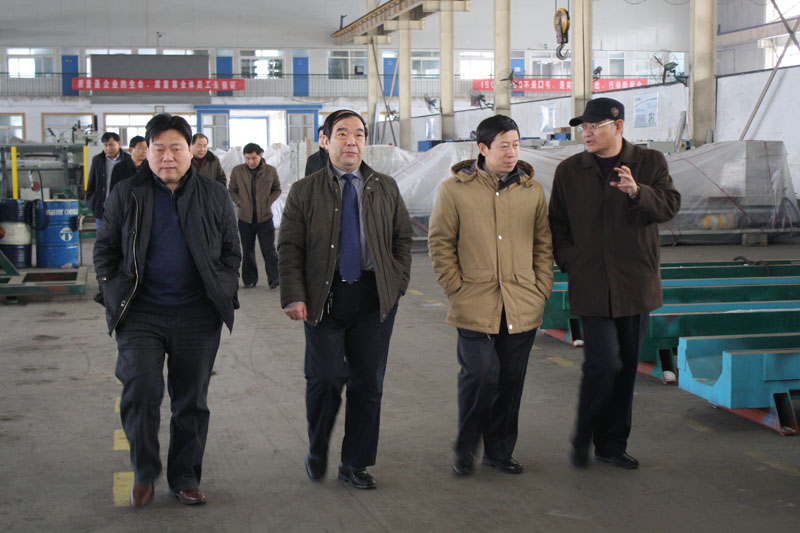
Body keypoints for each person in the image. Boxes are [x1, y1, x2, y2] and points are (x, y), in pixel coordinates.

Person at [94, 114, 241, 507]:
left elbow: (232, 252)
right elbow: (105, 249)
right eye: (158, 148)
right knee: (140, 391)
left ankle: (185, 477)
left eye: (176, 148)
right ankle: (144, 470)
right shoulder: (127, 193)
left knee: (190, 400)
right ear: (146, 152)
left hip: (197, 315)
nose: (167, 156)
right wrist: (113, 292)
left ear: (191, 151)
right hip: (140, 314)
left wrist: (222, 290)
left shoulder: (214, 194)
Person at [278, 109, 412, 490]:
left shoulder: (385, 187)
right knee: (325, 378)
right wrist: (293, 295)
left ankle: (355, 462)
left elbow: (402, 238)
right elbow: (289, 247)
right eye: (342, 133)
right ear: (325, 140)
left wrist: (397, 284)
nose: (351, 141)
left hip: (374, 298)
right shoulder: (305, 191)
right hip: (325, 297)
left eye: (358, 134)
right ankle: (318, 443)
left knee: (368, 383)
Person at [548, 97, 680, 470]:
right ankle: (584, 434)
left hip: (635, 284)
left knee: (625, 369)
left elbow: (669, 206)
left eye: (595, 126)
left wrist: (638, 193)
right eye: (584, 128)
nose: (587, 133)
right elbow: (557, 222)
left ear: (618, 126)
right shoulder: (570, 170)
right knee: (603, 363)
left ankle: (611, 444)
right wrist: (572, 261)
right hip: (591, 282)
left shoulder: (650, 162)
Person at [428, 114, 554, 477]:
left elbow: (543, 244)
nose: (512, 152)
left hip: (521, 301)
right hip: (474, 300)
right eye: (504, 146)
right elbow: (440, 244)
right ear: (482, 148)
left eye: (516, 145)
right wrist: (456, 288)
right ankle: (466, 446)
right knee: (481, 375)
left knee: (511, 382)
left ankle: (499, 451)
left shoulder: (532, 191)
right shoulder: (454, 190)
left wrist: (540, 288)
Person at [228, 143, 281, 289]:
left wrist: (268, 200)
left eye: (254, 158)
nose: (250, 162)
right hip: (245, 218)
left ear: (261, 155)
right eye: (247, 159)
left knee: (269, 249)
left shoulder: (270, 171)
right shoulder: (238, 171)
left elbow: (277, 189)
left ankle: (274, 279)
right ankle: (249, 279)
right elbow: (232, 190)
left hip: (265, 218)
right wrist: (239, 202)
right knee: (247, 250)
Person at [86, 132, 133, 225]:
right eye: (105, 145)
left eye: (111, 145)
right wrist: (92, 203)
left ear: (119, 144)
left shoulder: (128, 160)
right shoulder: (97, 160)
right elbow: (91, 183)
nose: (108, 148)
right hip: (102, 210)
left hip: (123, 209)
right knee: (102, 234)